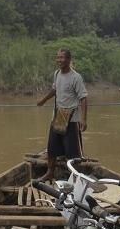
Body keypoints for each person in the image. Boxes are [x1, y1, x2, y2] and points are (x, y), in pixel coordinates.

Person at [36, 48, 88, 181]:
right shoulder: (57, 73)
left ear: (69, 59)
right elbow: (55, 89)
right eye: (58, 57)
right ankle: (50, 172)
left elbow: (83, 98)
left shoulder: (76, 77)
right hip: (59, 116)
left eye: (62, 57)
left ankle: (74, 178)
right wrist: (43, 100)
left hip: (71, 118)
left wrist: (83, 119)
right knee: (52, 147)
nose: (59, 60)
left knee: (72, 152)